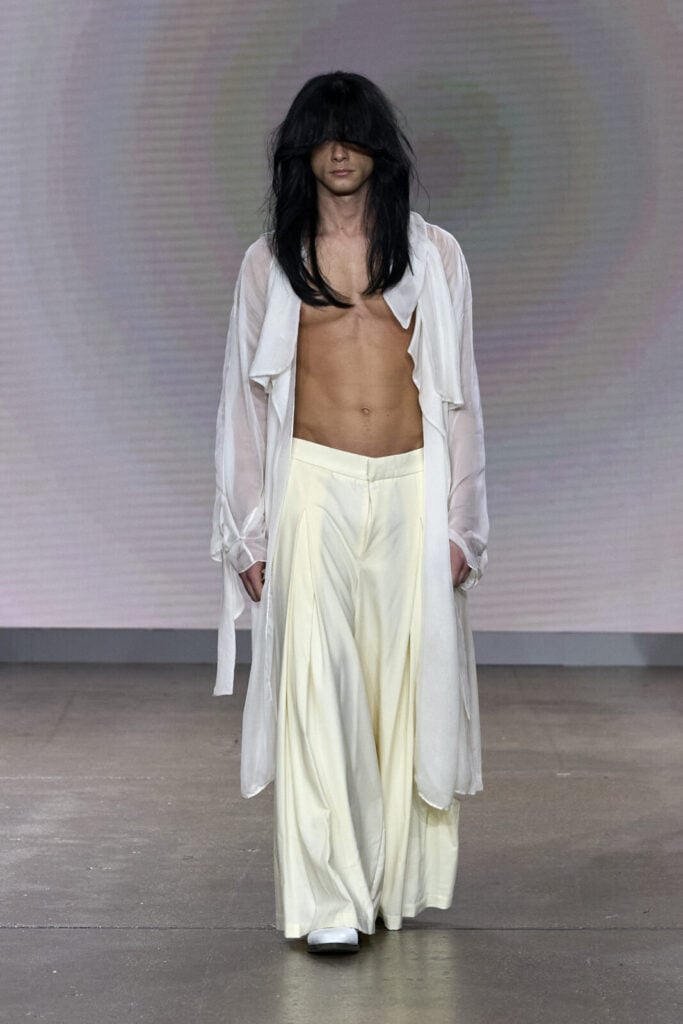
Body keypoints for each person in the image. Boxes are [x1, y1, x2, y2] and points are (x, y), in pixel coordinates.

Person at [210, 71, 489, 955]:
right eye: (323, 136)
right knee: (316, 682)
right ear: (302, 151)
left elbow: (460, 397)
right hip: (314, 484)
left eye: (354, 134)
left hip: (411, 485)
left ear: (378, 149)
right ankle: (329, 896)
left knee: (399, 688)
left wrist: (463, 522)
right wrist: (248, 534)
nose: (339, 151)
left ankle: (382, 887)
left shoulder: (434, 256)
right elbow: (245, 405)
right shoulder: (269, 264)